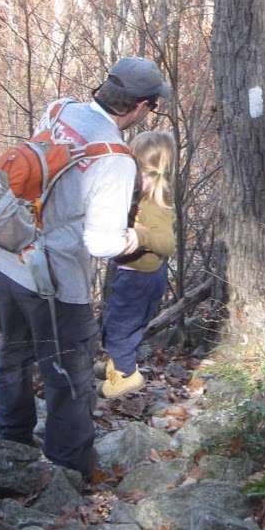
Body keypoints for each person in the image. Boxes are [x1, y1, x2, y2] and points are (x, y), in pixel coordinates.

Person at [0, 56, 172, 478]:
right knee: (68, 376)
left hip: (7, 253)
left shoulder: (58, 108)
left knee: (13, 354)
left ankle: (10, 445)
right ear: (142, 107)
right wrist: (141, 238)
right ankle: (68, 471)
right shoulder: (114, 157)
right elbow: (102, 243)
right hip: (53, 278)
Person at [100, 129, 177, 399]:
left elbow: (168, 244)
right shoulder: (141, 196)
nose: (133, 179)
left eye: (139, 172)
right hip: (130, 274)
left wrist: (141, 235)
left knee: (121, 328)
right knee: (114, 323)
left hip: (139, 279)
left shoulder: (157, 202)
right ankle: (118, 365)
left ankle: (125, 376)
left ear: (157, 173)